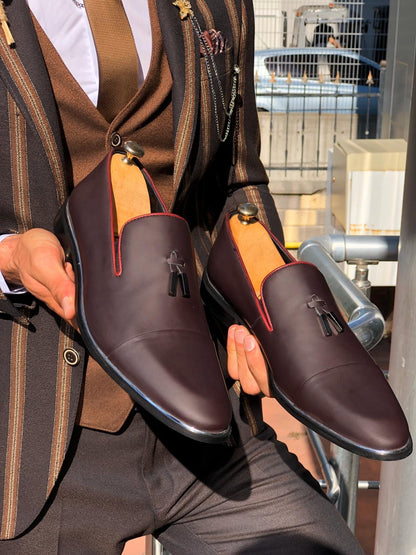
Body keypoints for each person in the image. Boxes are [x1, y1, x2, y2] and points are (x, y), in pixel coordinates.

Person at [0, 0, 363, 552]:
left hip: (210, 422)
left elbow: (236, 178)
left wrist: (265, 311)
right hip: (30, 434)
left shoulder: (218, 6)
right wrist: (9, 258)